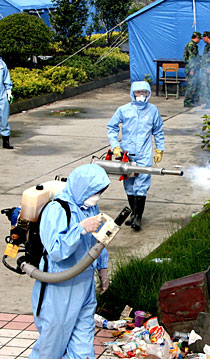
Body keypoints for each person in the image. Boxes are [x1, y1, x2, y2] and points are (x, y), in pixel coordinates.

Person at [30, 163, 110, 359]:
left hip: (84, 284)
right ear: (82, 187)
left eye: (99, 193)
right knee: (52, 346)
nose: (97, 197)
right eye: (94, 192)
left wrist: (103, 267)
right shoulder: (57, 209)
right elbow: (56, 251)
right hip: (60, 287)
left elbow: (98, 241)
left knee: (83, 346)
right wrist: (80, 229)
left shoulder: (90, 207)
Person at [107, 81, 165, 231]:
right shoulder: (123, 110)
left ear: (148, 94)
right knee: (129, 185)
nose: (141, 95)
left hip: (144, 154)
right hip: (127, 154)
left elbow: (158, 131)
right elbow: (111, 127)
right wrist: (115, 146)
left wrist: (160, 149)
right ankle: (133, 213)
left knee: (141, 185)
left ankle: (138, 217)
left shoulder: (153, 110)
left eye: (144, 93)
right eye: (138, 93)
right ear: (132, 94)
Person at [183, 31, 202, 107]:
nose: (199, 40)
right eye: (199, 38)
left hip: (194, 68)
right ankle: (188, 102)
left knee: (196, 84)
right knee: (191, 85)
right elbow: (191, 58)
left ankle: (194, 101)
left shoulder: (191, 45)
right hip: (192, 68)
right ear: (196, 38)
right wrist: (192, 69)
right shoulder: (191, 45)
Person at [0, 56, 13, 149]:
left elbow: (6, 78)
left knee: (4, 119)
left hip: (2, 94)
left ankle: (6, 141)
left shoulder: (1, 64)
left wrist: (9, 91)